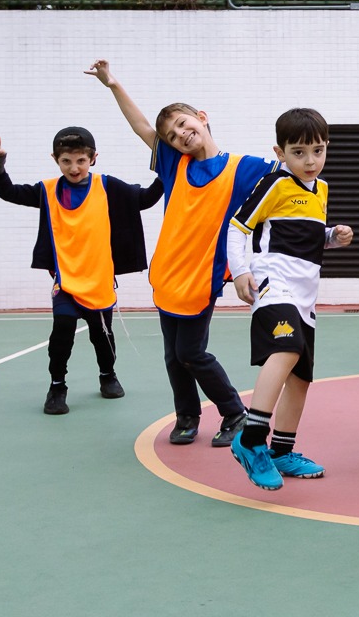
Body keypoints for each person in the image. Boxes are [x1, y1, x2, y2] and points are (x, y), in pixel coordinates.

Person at [87, 59, 277, 447]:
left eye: (184, 125)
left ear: (202, 118)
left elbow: (290, 179)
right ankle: (187, 416)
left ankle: (234, 411)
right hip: (168, 274)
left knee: (191, 352)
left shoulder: (245, 168)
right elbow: (142, 127)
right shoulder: (176, 165)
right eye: (172, 135)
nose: (180, 135)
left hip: (202, 275)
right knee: (173, 356)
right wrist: (113, 85)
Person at [0, 128, 162, 414]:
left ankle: (108, 375)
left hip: (99, 281)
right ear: (55, 159)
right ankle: (57, 386)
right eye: (66, 161)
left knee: (102, 335)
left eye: (81, 160)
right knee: (62, 333)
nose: (74, 167)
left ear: (93, 158)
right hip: (66, 281)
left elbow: (145, 199)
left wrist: (168, 170)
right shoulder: (46, 190)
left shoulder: (107, 187)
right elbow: (8, 192)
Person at [225, 108, 352, 490]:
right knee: (287, 349)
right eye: (299, 152)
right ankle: (250, 439)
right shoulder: (273, 184)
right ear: (280, 152)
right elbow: (238, 226)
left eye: (317, 150)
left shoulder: (321, 189)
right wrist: (241, 271)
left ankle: (282, 450)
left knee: (301, 377)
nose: (310, 160)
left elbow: (301, 236)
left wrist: (331, 236)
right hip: (272, 282)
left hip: (306, 293)